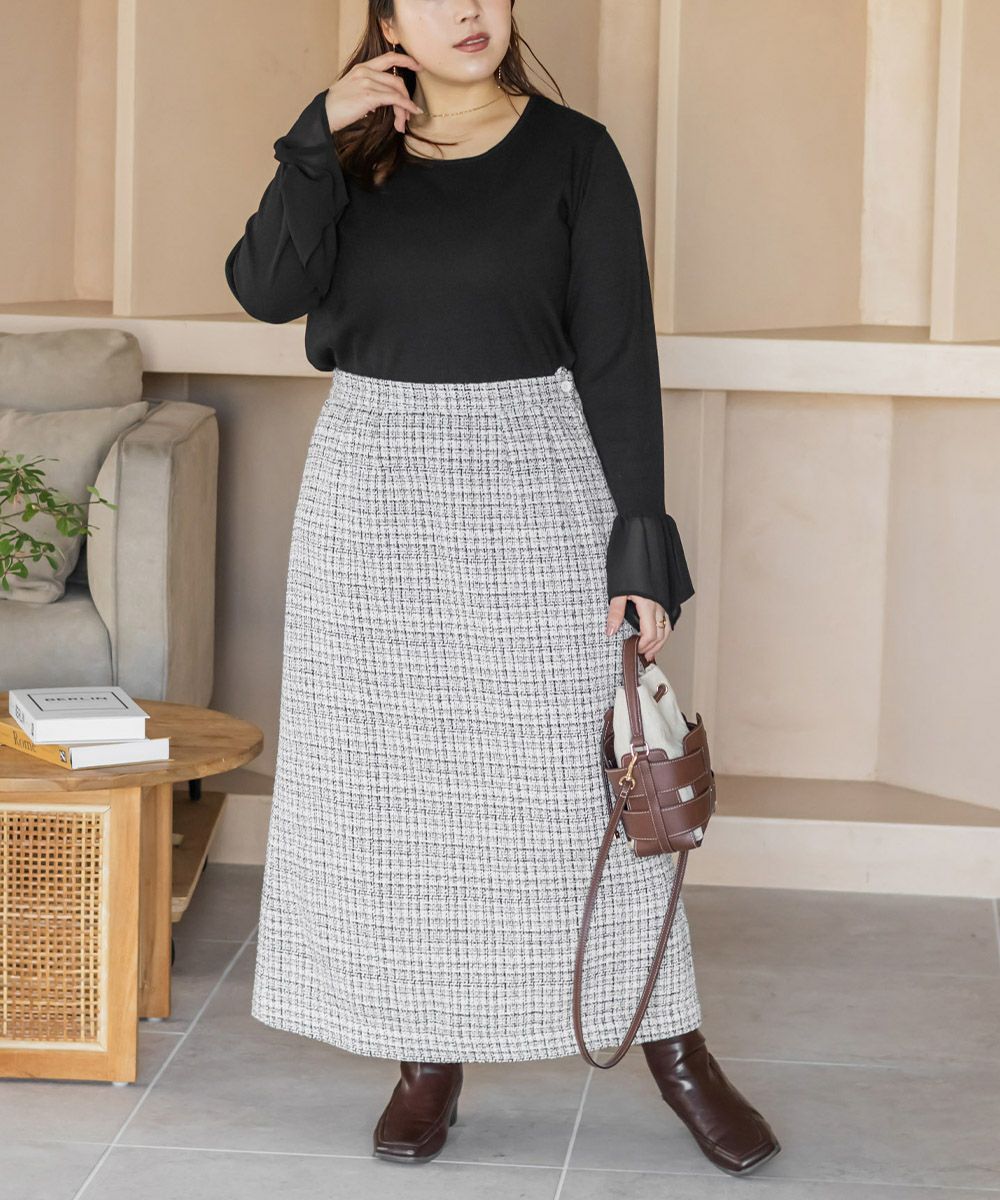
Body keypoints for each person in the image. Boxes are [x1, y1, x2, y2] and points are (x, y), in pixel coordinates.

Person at [225, 0, 780, 1177]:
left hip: (533, 470)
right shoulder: (347, 152)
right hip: (371, 485)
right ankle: (427, 1060)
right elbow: (267, 290)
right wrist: (313, 138)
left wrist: (639, 547)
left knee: (580, 790)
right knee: (399, 793)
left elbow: (618, 351)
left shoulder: (575, 154)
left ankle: (676, 1050)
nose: (468, 10)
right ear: (387, 18)